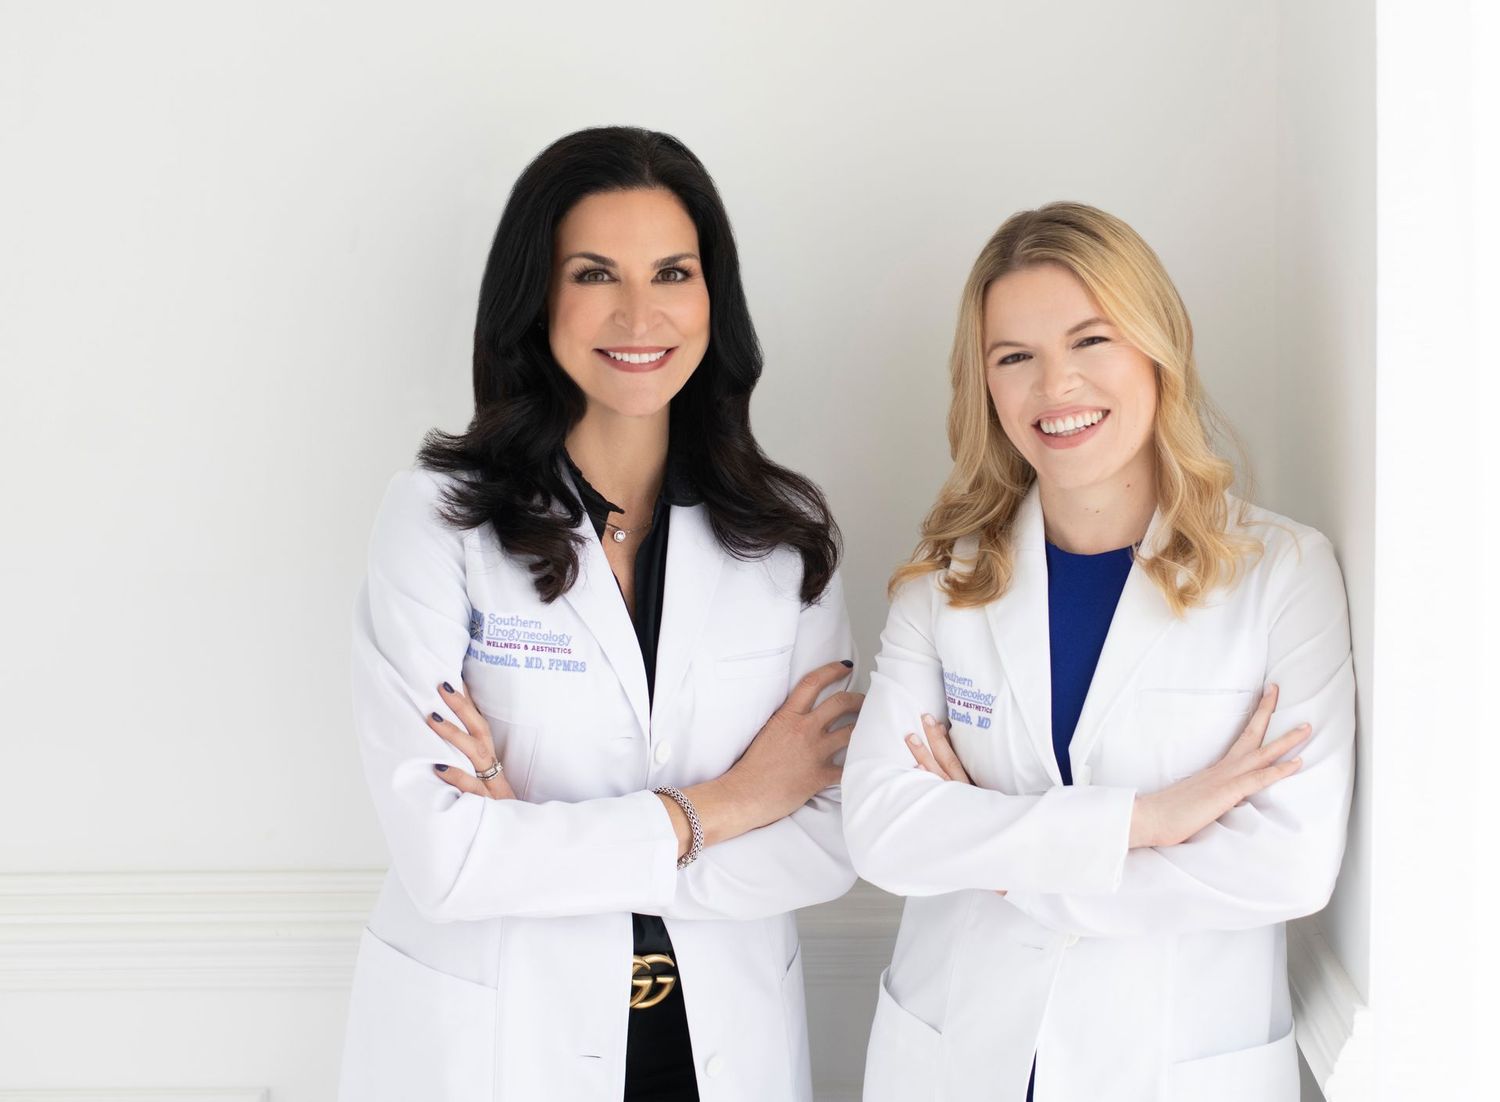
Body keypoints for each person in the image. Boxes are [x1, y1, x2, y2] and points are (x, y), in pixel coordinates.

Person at [339, 126, 861, 1102]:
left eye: (672, 271)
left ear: (714, 298)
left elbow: (832, 835)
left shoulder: (784, 535)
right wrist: (730, 805)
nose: (639, 311)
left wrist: (539, 850)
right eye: (593, 273)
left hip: (719, 1043)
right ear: (537, 298)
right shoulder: (437, 518)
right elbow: (444, 859)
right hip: (500, 1042)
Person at [842, 201, 1355, 1102]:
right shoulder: (944, 583)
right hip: (958, 1060)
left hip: (1173, 1068)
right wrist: (1146, 824)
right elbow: (882, 831)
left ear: (1159, 351)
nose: (1056, 387)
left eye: (1091, 341)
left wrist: (1002, 860)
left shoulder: (1282, 573)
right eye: (1016, 358)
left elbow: (1286, 866)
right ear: (986, 386)